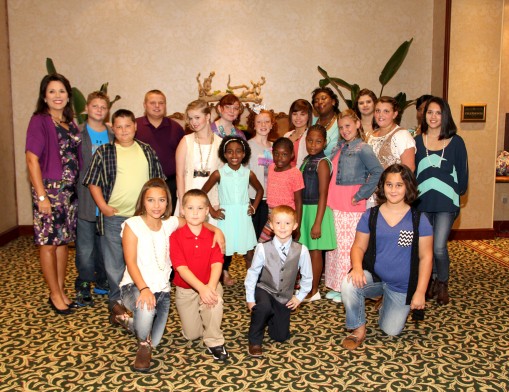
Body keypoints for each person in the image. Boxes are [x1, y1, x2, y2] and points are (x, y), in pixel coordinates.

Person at [117, 180, 226, 371]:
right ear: (143, 201)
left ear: (168, 203)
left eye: (162, 200)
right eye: (151, 200)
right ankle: (143, 345)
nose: (157, 205)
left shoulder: (170, 223)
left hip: (162, 289)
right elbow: (131, 263)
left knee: (157, 340)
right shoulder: (132, 225)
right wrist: (144, 289)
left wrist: (217, 230)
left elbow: (197, 219)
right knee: (147, 310)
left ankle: (127, 319)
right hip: (136, 285)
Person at [341, 164, 433, 350]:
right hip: (375, 278)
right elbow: (358, 246)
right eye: (389, 184)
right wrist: (357, 267)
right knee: (348, 283)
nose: (393, 190)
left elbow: (426, 258)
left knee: (390, 330)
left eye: (399, 185)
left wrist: (420, 292)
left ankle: (386, 304)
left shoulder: (419, 220)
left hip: (402, 286)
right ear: (382, 186)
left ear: (408, 187)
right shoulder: (371, 215)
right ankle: (358, 329)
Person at [83, 109, 165, 317]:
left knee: (140, 261)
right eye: (118, 127)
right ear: (113, 128)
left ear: (135, 126)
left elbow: (158, 182)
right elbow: (93, 182)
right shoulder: (104, 152)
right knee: (115, 263)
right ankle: (116, 303)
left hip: (142, 218)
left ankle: (139, 299)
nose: (123, 130)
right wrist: (103, 207)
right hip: (115, 218)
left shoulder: (147, 151)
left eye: (127, 125)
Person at [25, 73, 81, 315]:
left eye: (61, 91)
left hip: (69, 193)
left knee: (62, 244)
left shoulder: (71, 124)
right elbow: (31, 159)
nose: (57, 96)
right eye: (52, 92)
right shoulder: (39, 121)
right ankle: (54, 293)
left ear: (68, 95)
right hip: (50, 190)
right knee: (48, 244)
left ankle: (61, 289)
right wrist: (41, 196)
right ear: (44, 97)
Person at [325, 110, 383, 303]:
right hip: (334, 204)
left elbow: (377, 172)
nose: (344, 130)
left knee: (348, 248)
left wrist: (360, 194)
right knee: (335, 248)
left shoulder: (363, 148)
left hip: (351, 206)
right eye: (341, 127)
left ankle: (347, 287)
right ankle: (337, 285)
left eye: (348, 126)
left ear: (358, 124)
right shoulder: (339, 147)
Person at [415, 96, 468, 305]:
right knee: (425, 247)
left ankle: (443, 282)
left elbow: (463, 174)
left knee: (438, 247)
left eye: (438, 112)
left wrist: (458, 193)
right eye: (429, 112)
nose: (433, 117)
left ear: (445, 115)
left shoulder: (456, 141)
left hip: (447, 202)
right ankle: (430, 281)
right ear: (424, 115)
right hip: (423, 202)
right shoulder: (417, 141)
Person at [245, 205, 312, 357]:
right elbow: (253, 273)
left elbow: (308, 278)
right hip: (265, 289)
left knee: (280, 336)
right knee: (262, 307)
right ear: (271, 225)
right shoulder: (262, 248)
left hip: (284, 296)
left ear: (295, 226)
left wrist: (299, 297)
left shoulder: (301, 250)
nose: (282, 227)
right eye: (278, 223)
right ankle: (255, 341)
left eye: (287, 223)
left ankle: (270, 317)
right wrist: (250, 299)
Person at [170, 189, 228, 362]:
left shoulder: (213, 236)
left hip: (209, 283)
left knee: (214, 299)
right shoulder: (175, 236)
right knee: (192, 335)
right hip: (186, 290)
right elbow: (181, 268)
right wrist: (201, 289)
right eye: (190, 208)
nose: (195, 213)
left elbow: (217, 263)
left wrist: (210, 287)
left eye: (200, 208)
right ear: (182, 210)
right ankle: (199, 323)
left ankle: (214, 341)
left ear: (207, 211)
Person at [202, 136, 264, 284]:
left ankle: (251, 281)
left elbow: (260, 190)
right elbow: (203, 192)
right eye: (230, 152)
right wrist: (212, 211)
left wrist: (254, 207)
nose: (234, 155)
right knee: (223, 250)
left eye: (238, 152)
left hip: (243, 216)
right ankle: (219, 279)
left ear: (244, 154)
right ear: (224, 154)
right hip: (226, 217)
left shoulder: (248, 173)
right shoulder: (219, 173)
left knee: (249, 252)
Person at [75, 91, 113, 306]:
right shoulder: (78, 134)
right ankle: (83, 284)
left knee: (105, 245)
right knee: (86, 247)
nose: (99, 110)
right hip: (86, 199)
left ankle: (102, 281)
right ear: (87, 108)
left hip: (108, 199)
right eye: (95, 106)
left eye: (103, 107)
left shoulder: (112, 134)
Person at [298, 125, 337, 302]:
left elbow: (324, 194)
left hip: (317, 211)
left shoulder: (322, 163)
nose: (313, 144)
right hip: (305, 209)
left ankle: (314, 290)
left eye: (318, 141)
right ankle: (308, 284)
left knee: (315, 252)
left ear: (325, 142)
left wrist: (317, 222)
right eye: (310, 140)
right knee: (306, 250)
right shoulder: (307, 159)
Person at [136, 90, 185, 214]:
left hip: (170, 184)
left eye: (161, 103)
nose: (157, 106)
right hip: (142, 183)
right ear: (145, 105)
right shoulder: (134, 126)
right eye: (153, 103)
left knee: (169, 221)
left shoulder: (176, 128)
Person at [175, 100, 223, 225]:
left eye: (197, 117)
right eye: (190, 118)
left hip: (211, 198)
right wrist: (181, 204)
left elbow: (223, 178)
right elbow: (179, 175)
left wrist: (219, 201)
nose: (193, 122)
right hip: (189, 194)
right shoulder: (185, 141)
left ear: (207, 116)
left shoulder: (220, 143)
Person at [258, 137, 304, 243]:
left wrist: (297, 226)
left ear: (292, 155)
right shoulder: (271, 167)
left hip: (286, 216)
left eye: (284, 154)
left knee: (283, 247)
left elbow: (298, 201)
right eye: (276, 154)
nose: (279, 158)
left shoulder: (295, 173)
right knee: (263, 245)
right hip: (272, 215)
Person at [368, 96, 416, 171]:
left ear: (394, 114)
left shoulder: (402, 135)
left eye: (386, 111)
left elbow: (409, 169)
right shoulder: (370, 136)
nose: (380, 115)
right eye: (377, 111)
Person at [284, 99, 313, 168]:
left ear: (309, 116)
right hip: (284, 175)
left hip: (300, 177)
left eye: (302, 114)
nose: (298, 118)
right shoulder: (286, 135)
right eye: (295, 114)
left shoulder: (310, 137)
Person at [312, 87, 340, 157]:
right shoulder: (310, 122)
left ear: (333, 102)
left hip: (334, 165)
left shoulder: (341, 122)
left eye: (323, 98)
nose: (320, 102)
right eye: (316, 101)